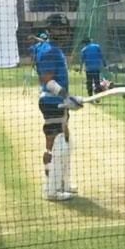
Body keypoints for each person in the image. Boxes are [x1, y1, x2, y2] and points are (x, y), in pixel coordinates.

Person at [31, 30, 82, 201]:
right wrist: (67, 96)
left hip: (58, 102)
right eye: (64, 31)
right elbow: (47, 80)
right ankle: (51, 190)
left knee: (66, 142)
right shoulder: (49, 51)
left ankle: (63, 183)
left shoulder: (50, 48)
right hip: (52, 102)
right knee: (55, 145)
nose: (67, 35)